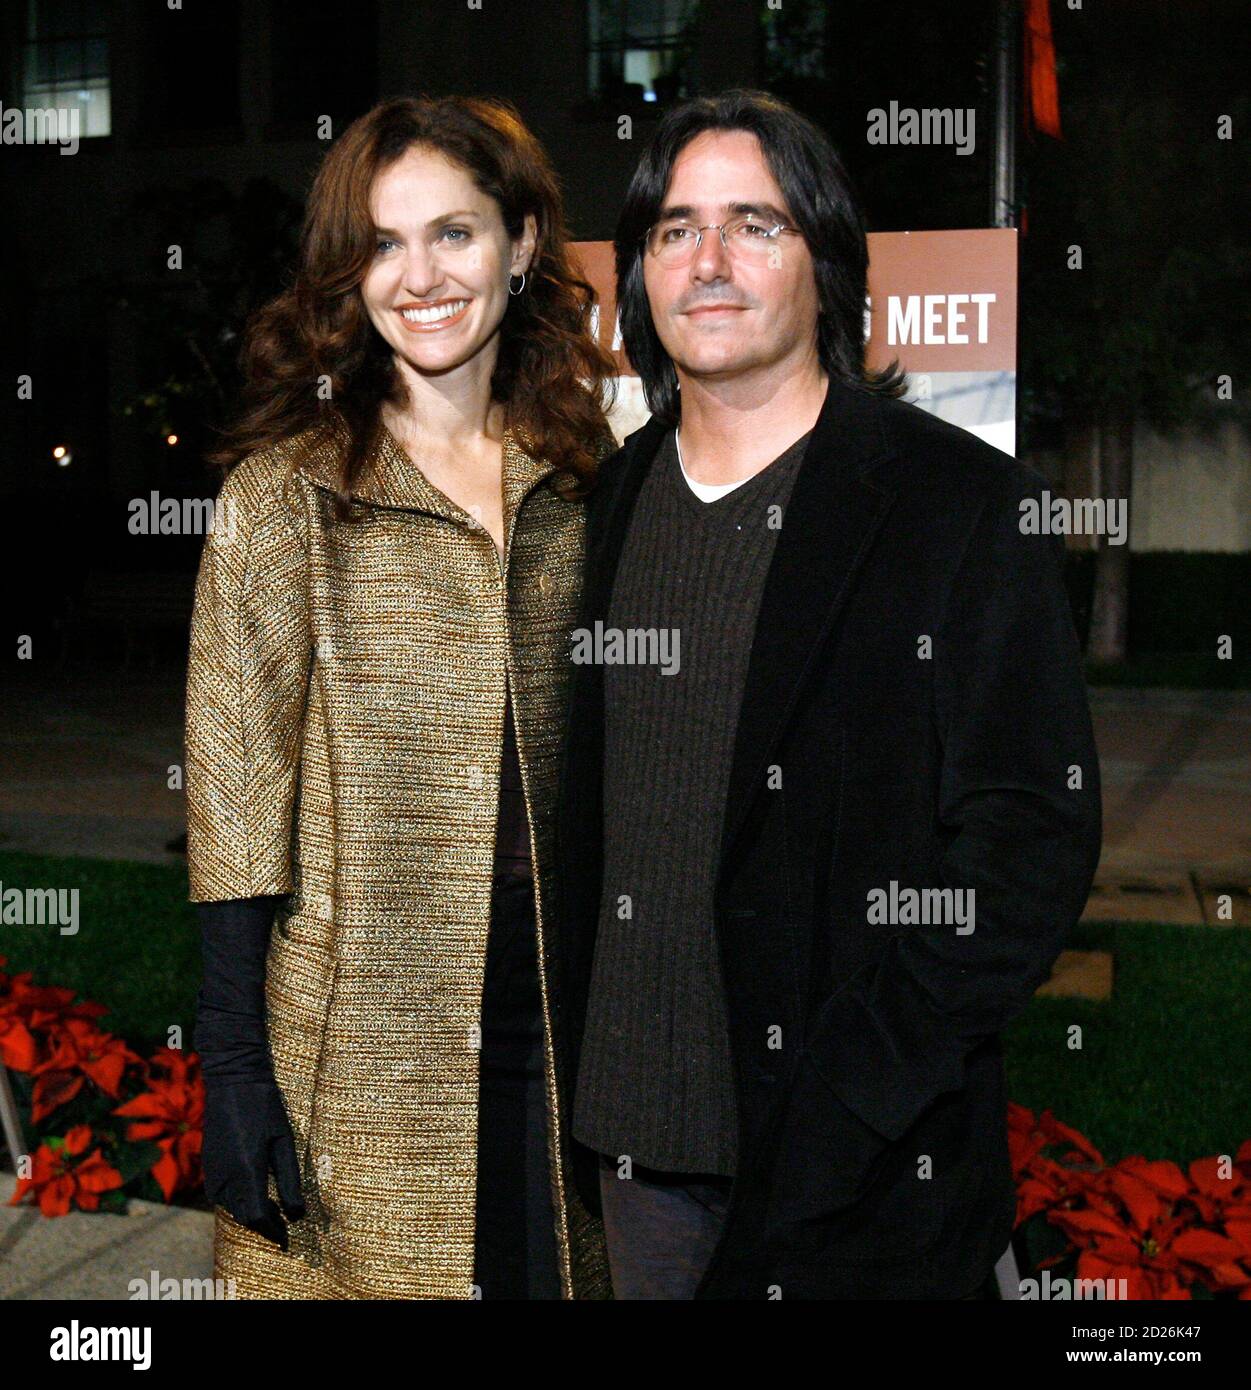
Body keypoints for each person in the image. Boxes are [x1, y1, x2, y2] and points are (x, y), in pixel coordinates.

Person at [556, 89, 1103, 1300]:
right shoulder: (603, 507)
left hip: (862, 1175)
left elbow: (1029, 840)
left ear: (827, 262)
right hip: (637, 1154)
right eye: (674, 230)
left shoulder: (956, 506)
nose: (708, 262)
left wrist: (860, 1092)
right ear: (640, 275)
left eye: (756, 224)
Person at [186, 95, 617, 1299]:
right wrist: (232, 1071)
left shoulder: (587, 489)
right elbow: (233, 807)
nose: (419, 276)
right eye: (383, 243)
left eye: (456, 234)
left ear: (524, 243)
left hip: (556, 1054)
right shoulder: (287, 498)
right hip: (349, 1068)